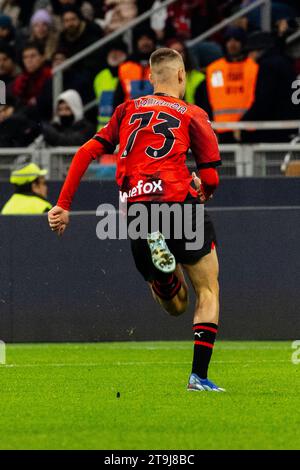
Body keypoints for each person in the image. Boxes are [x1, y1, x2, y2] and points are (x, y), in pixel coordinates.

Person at [48, 47, 224, 392]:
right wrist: (204, 191)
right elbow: (212, 176)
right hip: (181, 203)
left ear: (148, 78)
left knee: (174, 305)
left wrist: (62, 205)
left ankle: (163, 277)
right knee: (207, 290)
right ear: (181, 76)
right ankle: (198, 377)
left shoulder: (127, 110)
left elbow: (86, 152)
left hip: (139, 211)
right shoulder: (192, 113)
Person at [200, 26, 259, 143]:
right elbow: (210, 99)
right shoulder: (215, 69)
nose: (232, 44)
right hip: (222, 129)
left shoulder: (254, 67)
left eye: (236, 40)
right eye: (229, 40)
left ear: (243, 43)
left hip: (248, 128)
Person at [113, 28, 156, 108]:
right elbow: (118, 97)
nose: (145, 42)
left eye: (148, 39)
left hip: (157, 116)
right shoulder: (125, 67)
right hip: (130, 116)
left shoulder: (162, 66)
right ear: (136, 42)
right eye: (142, 39)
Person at [93, 40, 128, 130]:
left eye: (118, 51)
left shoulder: (129, 74)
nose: (114, 54)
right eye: (112, 51)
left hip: (125, 128)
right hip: (104, 131)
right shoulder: (100, 77)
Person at [12, 42, 52, 107]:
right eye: (25, 57)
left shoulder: (51, 75)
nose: (29, 60)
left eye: (33, 56)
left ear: (43, 57)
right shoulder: (19, 80)